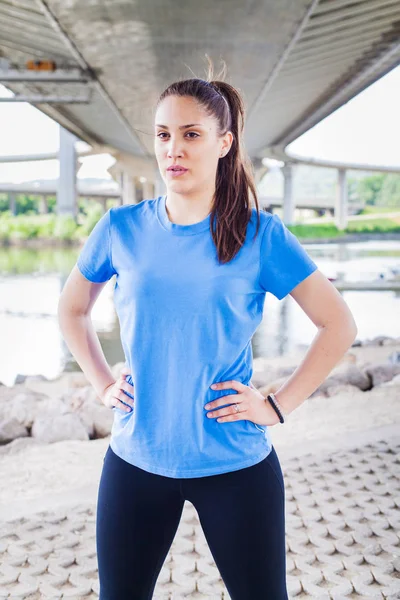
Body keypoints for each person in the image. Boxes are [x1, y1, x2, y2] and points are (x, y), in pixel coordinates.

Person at [58, 60, 358, 599]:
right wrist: (103, 383)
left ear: (224, 142)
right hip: (136, 462)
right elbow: (72, 310)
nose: (174, 148)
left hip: (235, 463)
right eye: (164, 134)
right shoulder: (121, 229)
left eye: (191, 134)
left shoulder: (261, 236)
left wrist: (277, 404)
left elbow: (338, 323)